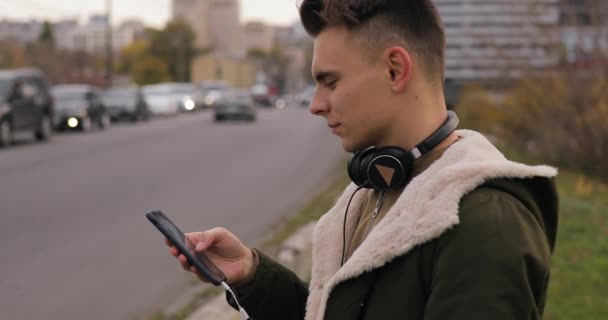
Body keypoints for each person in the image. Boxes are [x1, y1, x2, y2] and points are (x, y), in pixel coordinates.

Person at [167, 1, 559, 319]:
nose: (316, 105)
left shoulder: (483, 220)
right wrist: (251, 275)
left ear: (395, 69)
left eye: (331, 82)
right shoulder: (377, 187)